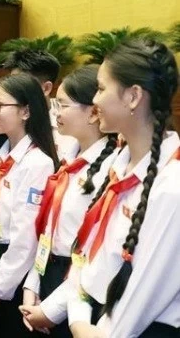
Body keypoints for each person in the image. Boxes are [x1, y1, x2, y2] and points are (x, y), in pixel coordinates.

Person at [62, 40, 180, 337]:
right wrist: (77, 319)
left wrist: (87, 329)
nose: (95, 100)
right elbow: (88, 259)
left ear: (133, 96)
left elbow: (141, 299)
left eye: (101, 88)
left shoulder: (171, 186)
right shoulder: (118, 166)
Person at [19, 65, 118, 338]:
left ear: (93, 112)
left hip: (77, 289)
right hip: (49, 273)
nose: (56, 113)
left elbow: (92, 258)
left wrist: (51, 310)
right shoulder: (67, 161)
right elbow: (48, 234)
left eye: (62, 105)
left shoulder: (110, 172)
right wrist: (33, 285)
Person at [0, 73, 59, 338]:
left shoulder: (37, 163)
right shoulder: (2, 158)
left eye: (0, 105)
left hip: (16, 272)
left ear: (25, 111)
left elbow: (25, 239)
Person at [2, 49, 77, 161]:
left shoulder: (68, 127)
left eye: (20, 84)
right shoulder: (4, 121)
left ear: (46, 88)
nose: (12, 91)